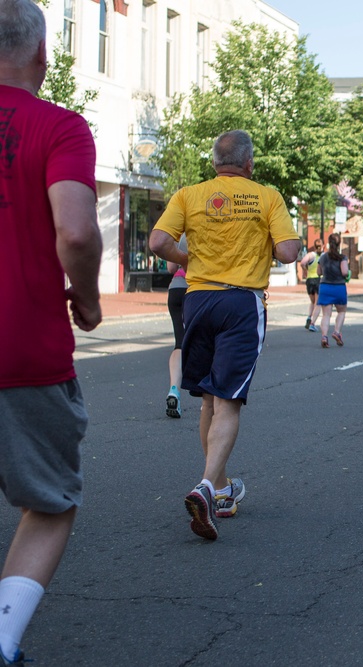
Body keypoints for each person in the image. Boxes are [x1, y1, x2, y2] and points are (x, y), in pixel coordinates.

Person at [0, 2, 103, 662]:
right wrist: (88, 299)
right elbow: (76, 229)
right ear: (43, 56)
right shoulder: (60, 128)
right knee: (49, 500)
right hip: (23, 351)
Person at [149, 129, 301, 541]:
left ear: (215, 162)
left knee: (208, 400)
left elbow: (158, 241)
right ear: (249, 163)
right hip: (241, 302)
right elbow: (288, 253)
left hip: (198, 299)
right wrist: (283, 244)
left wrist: (187, 257)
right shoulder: (266, 196)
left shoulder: (189, 195)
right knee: (230, 400)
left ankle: (220, 490)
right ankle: (205, 486)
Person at [165, 234, 188, 417]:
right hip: (200, 290)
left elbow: (171, 267)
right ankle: (210, 400)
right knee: (208, 341)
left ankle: (174, 389)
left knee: (179, 343)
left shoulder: (181, 233)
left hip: (176, 288)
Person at [317, 233, 349, 348]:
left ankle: (324, 336)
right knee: (341, 311)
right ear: (339, 243)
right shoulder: (342, 257)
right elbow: (345, 272)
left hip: (325, 286)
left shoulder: (323, 257)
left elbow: (319, 272)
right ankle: (336, 332)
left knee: (326, 315)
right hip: (339, 286)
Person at [299, 238, 323, 332]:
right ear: (323, 246)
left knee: (312, 301)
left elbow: (302, 263)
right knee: (317, 303)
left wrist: (305, 270)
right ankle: (312, 323)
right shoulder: (323, 255)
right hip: (318, 279)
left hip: (309, 280)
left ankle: (309, 317)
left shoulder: (310, 255)